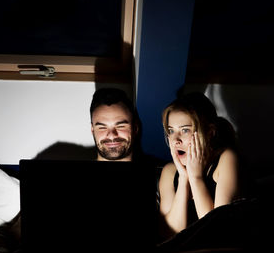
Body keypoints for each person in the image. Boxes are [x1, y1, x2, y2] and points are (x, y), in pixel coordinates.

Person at [158, 92, 241, 240]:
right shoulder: (169, 171)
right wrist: (184, 177)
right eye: (171, 131)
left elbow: (216, 232)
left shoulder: (226, 159)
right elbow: (170, 237)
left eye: (185, 130)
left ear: (210, 132)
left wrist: (195, 178)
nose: (175, 140)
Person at [90, 88, 143, 162]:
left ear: (135, 128)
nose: (112, 136)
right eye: (102, 127)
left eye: (120, 126)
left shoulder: (162, 172)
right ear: (92, 130)